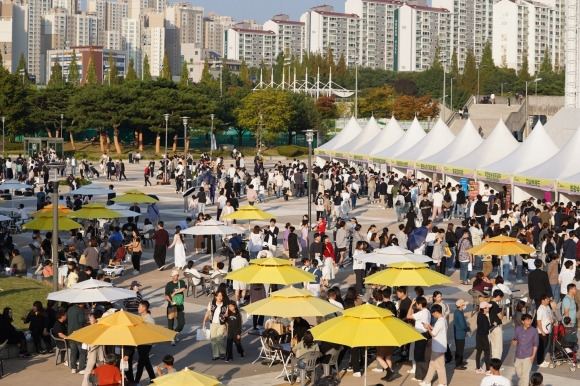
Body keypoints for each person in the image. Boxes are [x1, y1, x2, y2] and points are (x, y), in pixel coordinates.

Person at [419, 304, 448, 386]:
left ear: (436, 312)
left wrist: (428, 328)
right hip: (438, 347)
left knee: (440, 366)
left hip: (439, 348)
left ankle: (443, 383)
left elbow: (433, 334)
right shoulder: (443, 320)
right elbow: (437, 330)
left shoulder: (440, 321)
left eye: (432, 313)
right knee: (432, 365)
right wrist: (430, 327)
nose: (432, 315)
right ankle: (427, 381)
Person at [512, 313, 538, 386]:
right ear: (523, 321)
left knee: (526, 375)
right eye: (527, 320)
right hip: (518, 354)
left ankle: (525, 383)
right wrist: (514, 341)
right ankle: (527, 382)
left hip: (528, 355)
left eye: (530, 320)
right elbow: (514, 339)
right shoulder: (517, 329)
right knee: (518, 371)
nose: (529, 322)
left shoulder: (534, 331)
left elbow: (535, 344)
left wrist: (533, 356)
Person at [203, 289, 228, 360]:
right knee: (213, 339)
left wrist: (225, 315)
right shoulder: (211, 304)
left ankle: (223, 352)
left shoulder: (225, 305)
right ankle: (215, 354)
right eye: (218, 296)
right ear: (215, 297)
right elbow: (208, 312)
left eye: (221, 296)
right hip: (213, 323)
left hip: (221, 324)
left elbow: (227, 313)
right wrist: (204, 320)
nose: (220, 297)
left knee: (219, 339)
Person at [134, 301, 156, 384]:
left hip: (146, 344)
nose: (138, 308)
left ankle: (136, 382)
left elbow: (151, 333)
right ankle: (153, 379)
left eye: (139, 307)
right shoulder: (141, 317)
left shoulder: (149, 320)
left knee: (140, 364)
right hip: (141, 343)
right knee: (146, 362)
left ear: (144, 308)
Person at [165, 269, 186, 345]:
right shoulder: (169, 284)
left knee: (181, 323)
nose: (173, 277)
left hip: (180, 306)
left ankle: (175, 333)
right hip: (171, 306)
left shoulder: (181, 282)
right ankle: (171, 338)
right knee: (170, 322)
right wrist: (170, 301)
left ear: (178, 276)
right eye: (172, 276)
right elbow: (166, 294)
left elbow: (184, 288)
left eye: (175, 276)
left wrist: (175, 293)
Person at [68, 302, 88, 373]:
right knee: (82, 351)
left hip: (70, 333)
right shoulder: (80, 310)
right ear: (81, 304)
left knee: (73, 351)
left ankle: (73, 368)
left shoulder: (70, 309)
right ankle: (82, 368)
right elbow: (81, 320)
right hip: (79, 333)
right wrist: (86, 319)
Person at [536, 294, 553, 367]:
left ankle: (542, 359)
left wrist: (552, 320)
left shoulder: (547, 307)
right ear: (543, 300)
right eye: (547, 299)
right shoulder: (540, 309)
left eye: (549, 299)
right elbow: (538, 321)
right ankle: (539, 362)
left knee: (545, 346)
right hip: (542, 331)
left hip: (548, 329)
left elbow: (550, 316)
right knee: (541, 347)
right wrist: (542, 331)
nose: (548, 301)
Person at [475, 302, 492, 374]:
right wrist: (493, 325)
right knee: (487, 352)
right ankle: (488, 369)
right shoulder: (484, 317)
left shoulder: (479, 314)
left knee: (479, 351)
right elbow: (486, 328)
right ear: (484, 309)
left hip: (478, 335)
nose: (488, 308)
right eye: (487, 307)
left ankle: (478, 368)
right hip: (484, 336)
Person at [453, 299, 470, 369]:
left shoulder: (457, 312)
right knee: (460, 349)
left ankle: (459, 362)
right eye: (464, 305)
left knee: (459, 348)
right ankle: (458, 364)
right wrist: (467, 329)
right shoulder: (459, 313)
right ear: (461, 306)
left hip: (458, 333)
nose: (465, 306)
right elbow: (462, 325)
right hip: (460, 334)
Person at [488, 289, 505, 361]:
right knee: (498, 346)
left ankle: (492, 360)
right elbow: (500, 317)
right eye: (500, 297)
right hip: (497, 326)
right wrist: (503, 310)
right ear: (497, 296)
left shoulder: (488, 304)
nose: (500, 299)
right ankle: (496, 363)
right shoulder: (495, 305)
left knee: (492, 345)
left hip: (490, 326)